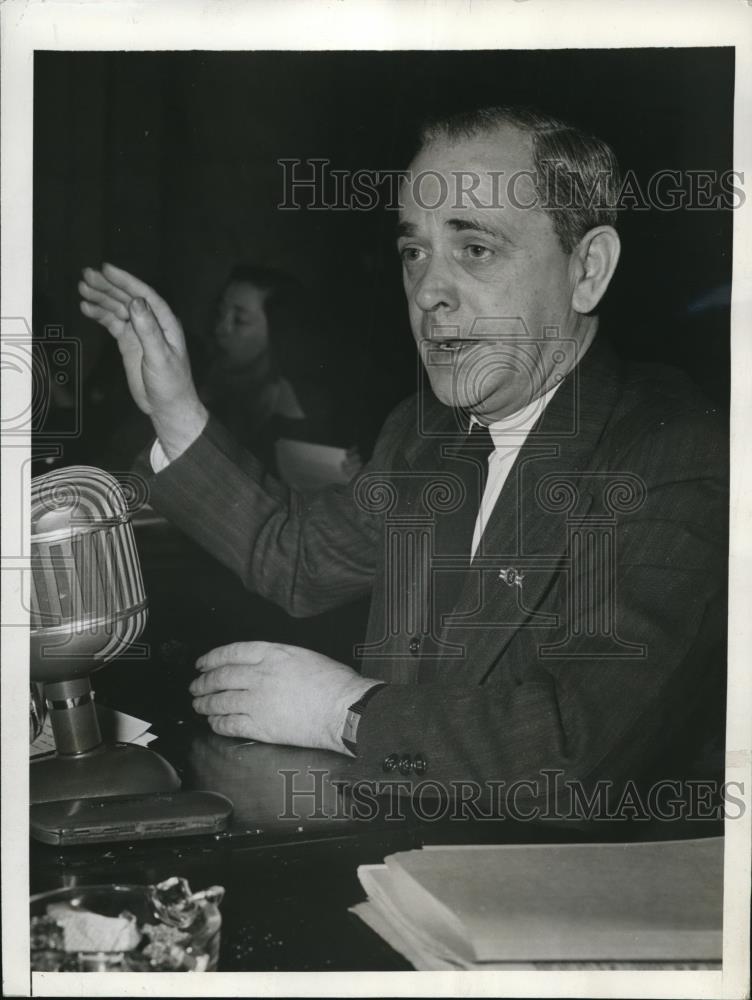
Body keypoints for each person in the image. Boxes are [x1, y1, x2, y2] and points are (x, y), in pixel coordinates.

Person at [79, 106, 727, 817]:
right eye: (414, 251)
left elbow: (577, 752)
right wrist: (174, 404)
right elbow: (294, 557)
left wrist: (344, 710)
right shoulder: (426, 435)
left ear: (588, 269)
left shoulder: (677, 451)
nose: (427, 292)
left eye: (474, 249)